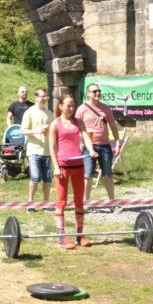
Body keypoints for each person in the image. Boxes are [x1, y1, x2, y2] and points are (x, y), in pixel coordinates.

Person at [48, 94, 91, 249]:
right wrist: (56, 167)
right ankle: (62, 237)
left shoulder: (79, 122)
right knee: (61, 201)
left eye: (73, 105)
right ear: (60, 106)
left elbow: (85, 136)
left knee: (80, 201)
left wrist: (91, 149)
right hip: (63, 167)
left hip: (78, 165)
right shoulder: (55, 124)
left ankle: (80, 235)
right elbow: (52, 147)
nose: (71, 108)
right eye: (68, 105)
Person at [77, 83, 122, 203]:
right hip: (88, 146)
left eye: (99, 91)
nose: (97, 93)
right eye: (94, 91)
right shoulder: (82, 109)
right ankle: (85, 202)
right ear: (88, 94)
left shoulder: (106, 108)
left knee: (107, 174)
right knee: (88, 174)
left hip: (105, 145)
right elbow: (76, 127)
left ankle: (112, 201)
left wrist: (117, 142)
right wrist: (81, 139)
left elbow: (113, 125)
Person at [21, 88, 52, 204]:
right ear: (36, 98)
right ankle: (30, 201)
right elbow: (23, 130)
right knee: (35, 177)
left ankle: (46, 202)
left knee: (48, 178)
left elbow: (53, 130)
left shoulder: (49, 113)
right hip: (34, 150)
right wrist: (37, 131)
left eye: (46, 96)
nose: (44, 98)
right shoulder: (30, 112)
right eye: (42, 96)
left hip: (47, 150)